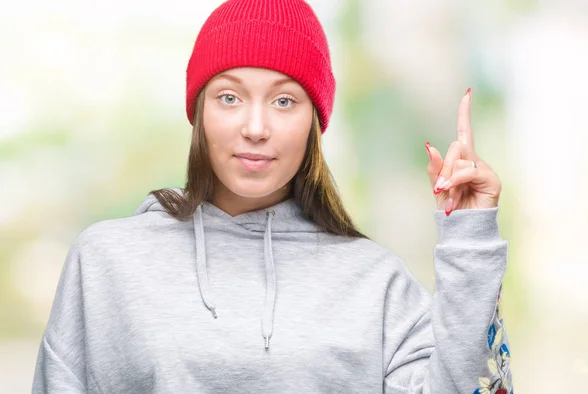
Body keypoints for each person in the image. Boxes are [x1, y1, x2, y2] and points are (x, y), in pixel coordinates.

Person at [32, 0, 514, 393]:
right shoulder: (108, 261)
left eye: (285, 101)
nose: (256, 128)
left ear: (313, 122)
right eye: (229, 97)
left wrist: (468, 240)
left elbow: (474, 387)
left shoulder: (375, 281)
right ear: (198, 111)